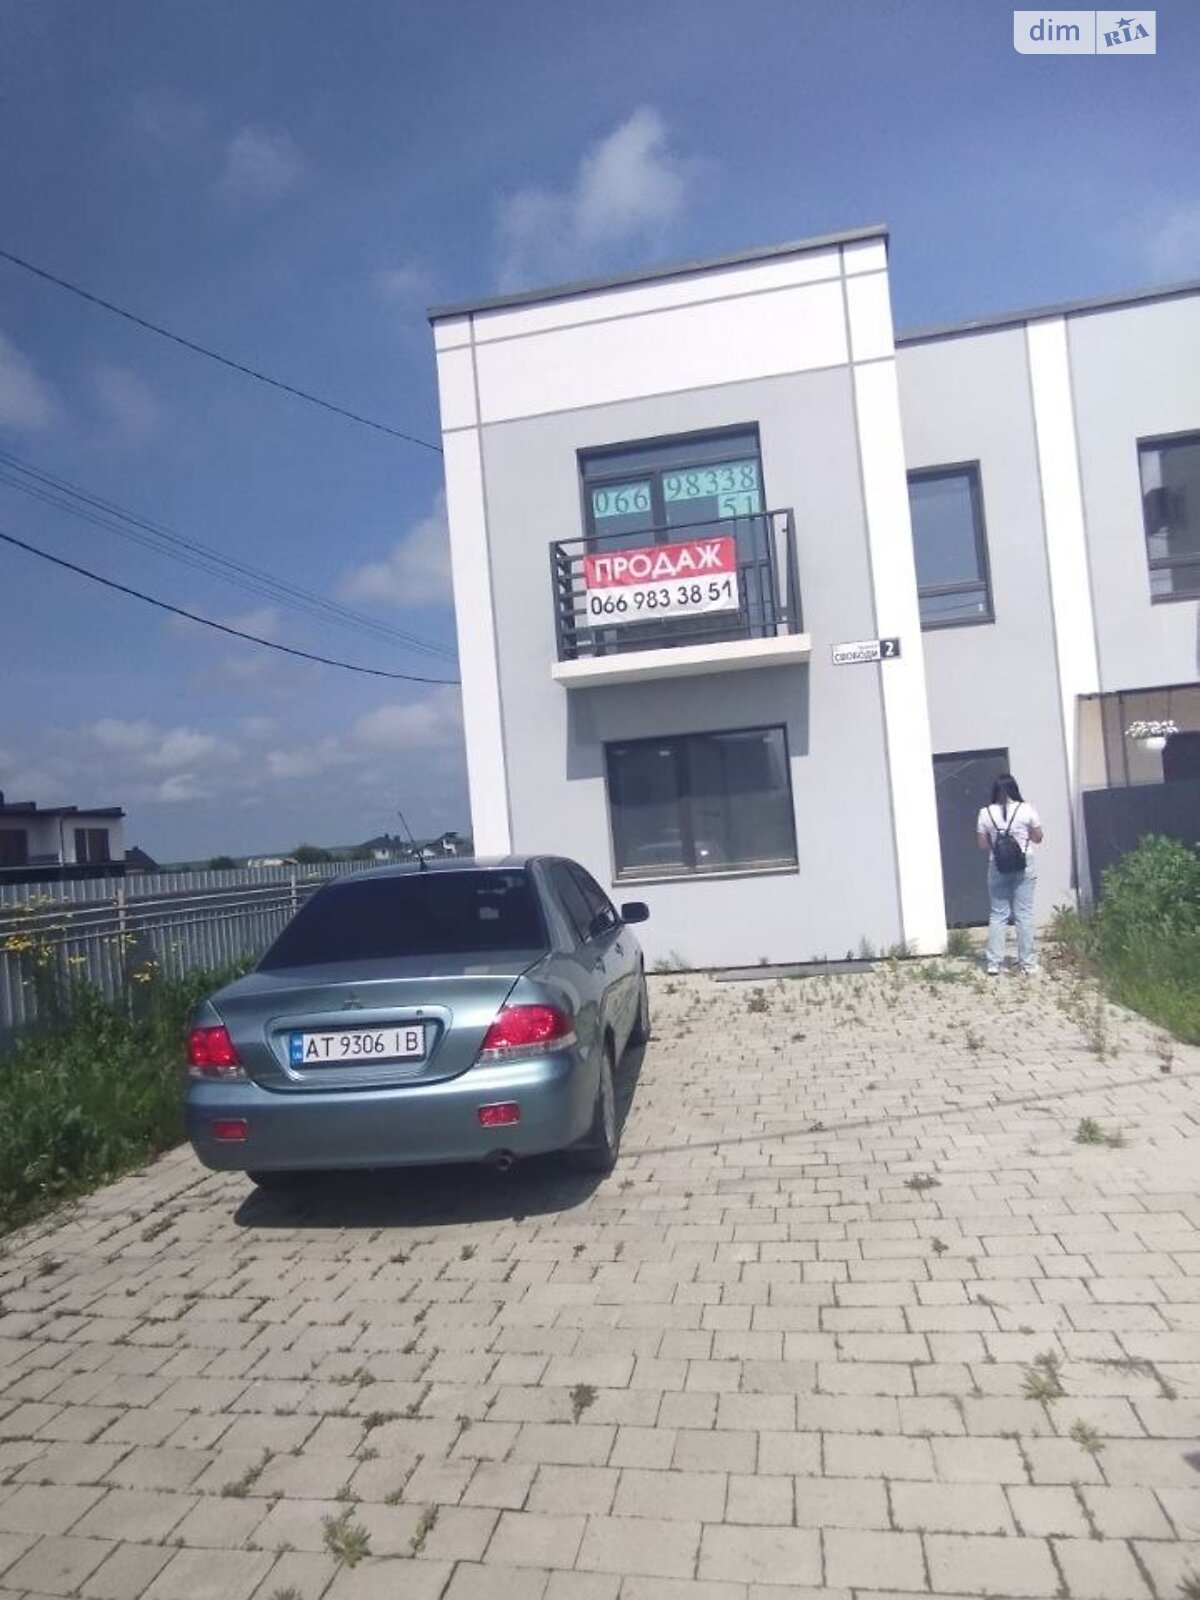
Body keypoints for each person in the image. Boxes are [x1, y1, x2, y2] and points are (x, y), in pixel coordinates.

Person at [976, 773, 1044, 976]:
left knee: (998, 914)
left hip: (997, 865)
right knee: (1024, 914)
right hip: (1024, 863)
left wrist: (997, 847)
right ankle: (1027, 964)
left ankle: (993, 963)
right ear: (1014, 789)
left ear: (995, 791)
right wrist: (1023, 836)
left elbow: (982, 844)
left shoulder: (985, 813)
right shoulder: (1026, 809)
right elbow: (1038, 837)